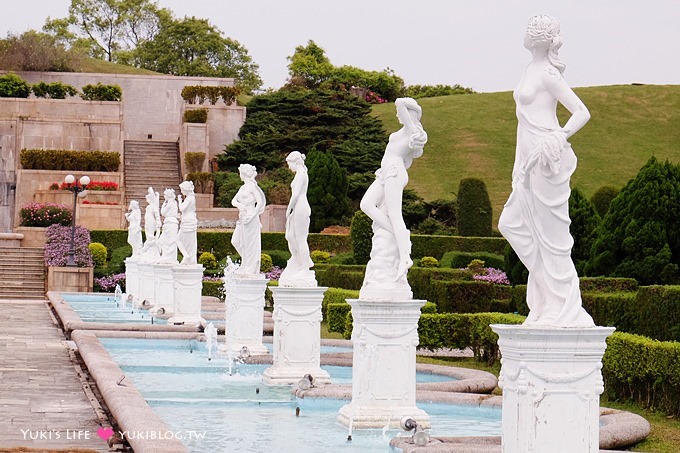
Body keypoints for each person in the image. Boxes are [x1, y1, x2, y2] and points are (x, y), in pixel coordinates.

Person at [498, 15, 594, 327]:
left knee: (551, 236)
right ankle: (549, 294)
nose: (528, 31)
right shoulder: (530, 69)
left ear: (542, 38)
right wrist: (516, 166)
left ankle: (559, 304)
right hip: (527, 162)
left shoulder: (549, 74)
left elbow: (581, 112)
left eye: (535, 29)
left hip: (546, 159)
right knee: (511, 224)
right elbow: (521, 122)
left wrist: (559, 136)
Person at [359, 97, 427, 298]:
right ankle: (400, 235)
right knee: (366, 204)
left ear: (410, 113)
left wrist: (404, 103)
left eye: (402, 112)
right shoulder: (403, 132)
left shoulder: (413, 131)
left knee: (395, 214)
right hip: (385, 171)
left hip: (394, 172)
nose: (397, 114)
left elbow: (398, 103)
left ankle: (405, 255)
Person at [279, 151, 316, 287]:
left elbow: (295, 195)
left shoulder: (301, 174)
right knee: (290, 236)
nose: (289, 167)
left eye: (289, 164)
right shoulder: (299, 174)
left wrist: (289, 209)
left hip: (300, 207)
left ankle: (305, 268)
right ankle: (299, 260)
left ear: (295, 161)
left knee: (300, 239)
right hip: (297, 207)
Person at [231, 164, 266, 276]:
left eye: (240, 172)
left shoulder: (252, 186)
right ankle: (246, 263)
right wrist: (239, 206)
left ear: (244, 173)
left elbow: (260, 202)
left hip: (251, 217)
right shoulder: (243, 187)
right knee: (236, 241)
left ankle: (249, 267)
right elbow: (233, 200)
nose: (239, 175)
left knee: (249, 244)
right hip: (242, 217)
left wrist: (252, 215)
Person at [177, 180, 198, 265]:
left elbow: (182, 208)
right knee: (188, 241)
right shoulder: (190, 197)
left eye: (182, 189)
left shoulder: (189, 198)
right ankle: (188, 257)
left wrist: (179, 201)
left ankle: (186, 255)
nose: (181, 191)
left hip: (188, 222)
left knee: (178, 239)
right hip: (188, 220)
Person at [158, 188, 179, 264]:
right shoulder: (173, 202)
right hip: (169, 223)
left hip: (171, 223)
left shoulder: (170, 203)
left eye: (165, 195)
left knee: (169, 241)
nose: (164, 196)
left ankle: (169, 257)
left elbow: (163, 212)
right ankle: (166, 256)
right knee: (164, 240)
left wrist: (164, 203)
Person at [141, 187, 160, 259]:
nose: (146, 200)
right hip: (147, 221)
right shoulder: (148, 206)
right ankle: (149, 248)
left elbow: (157, 214)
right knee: (147, 233)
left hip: (151, 221)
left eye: (147, 199)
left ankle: (152, 247)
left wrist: (158, 221)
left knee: (150, 234)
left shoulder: (153, 206)